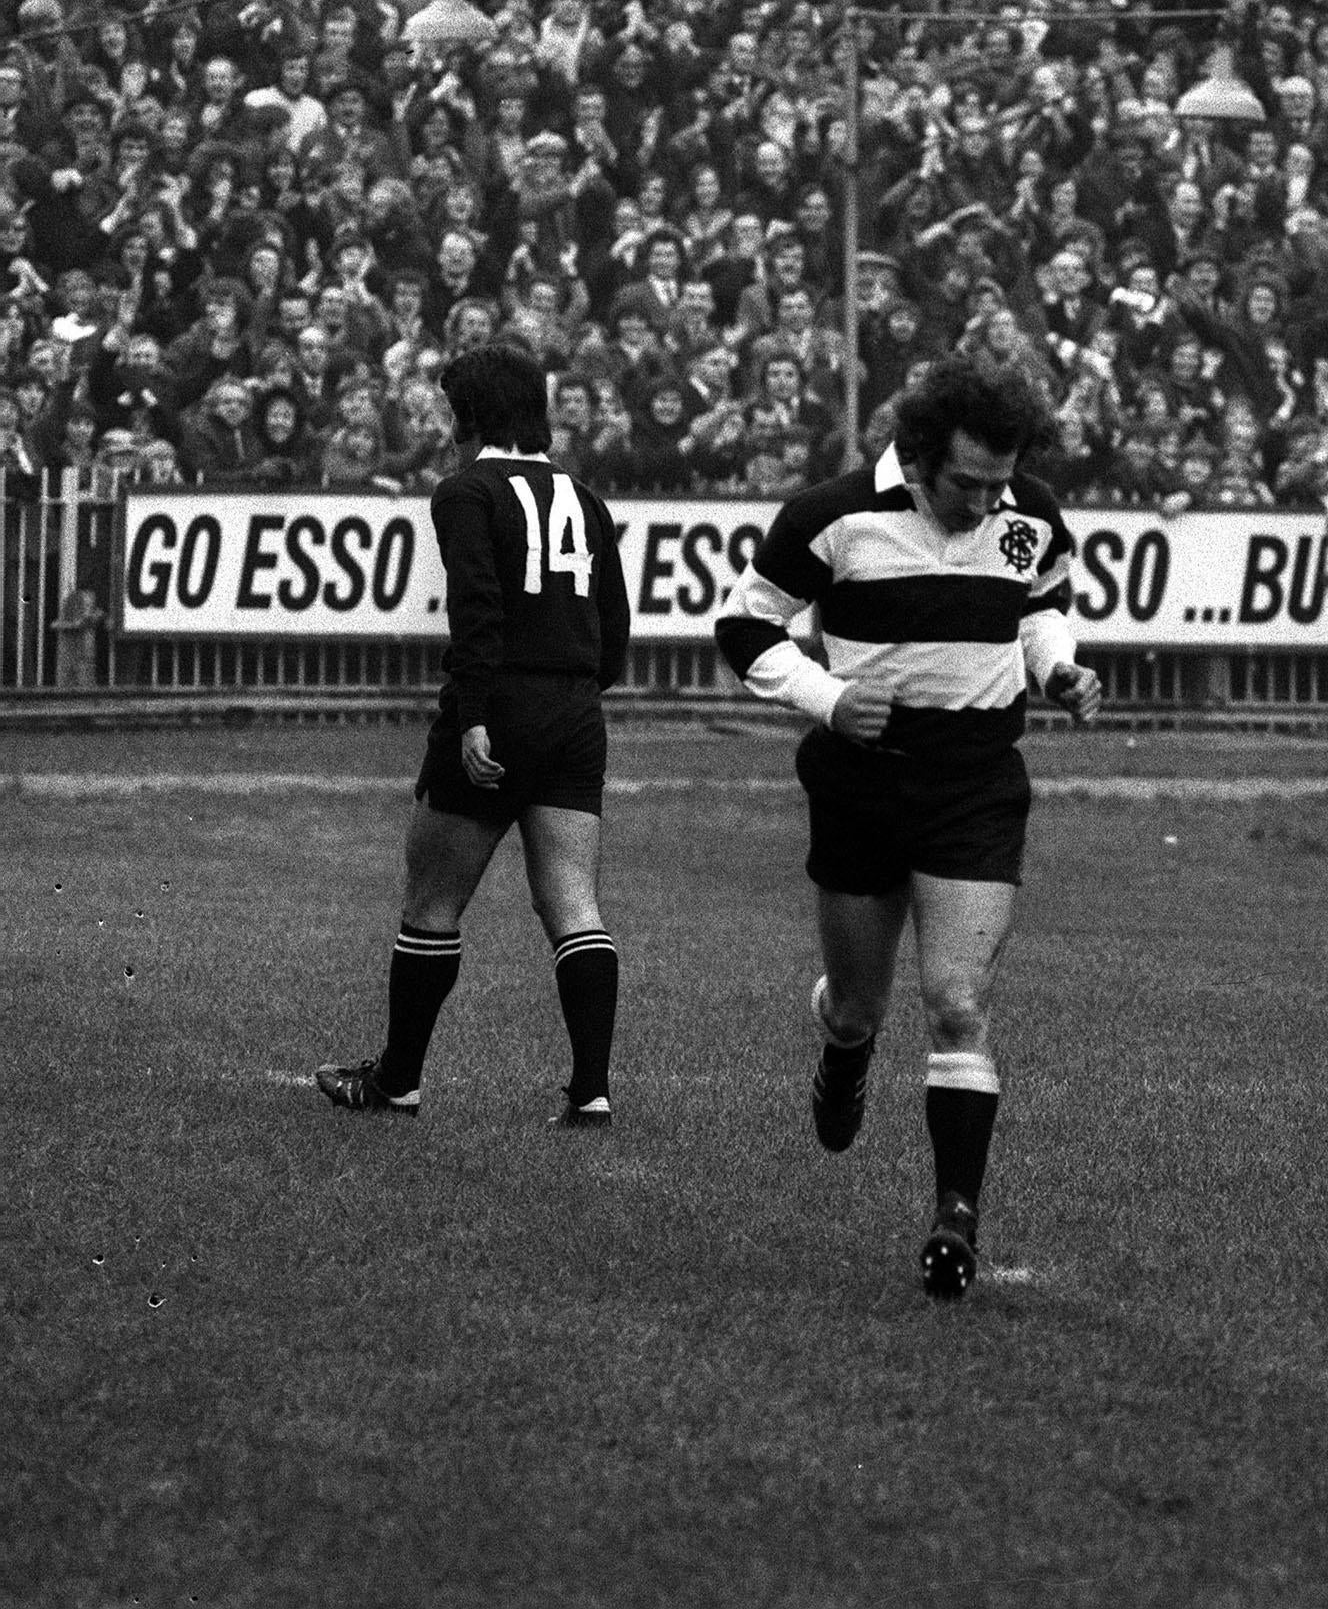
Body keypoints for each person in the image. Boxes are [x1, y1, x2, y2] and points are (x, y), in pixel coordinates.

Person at [712, 354, 1103, 1299]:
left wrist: (1057, 670)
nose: (984, 502)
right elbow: (745, 626)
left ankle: (954, 1220)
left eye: (999, 483)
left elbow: (1042, 603)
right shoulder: (831, 516)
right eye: (966, 483)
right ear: (919, 457)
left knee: (956, 1002)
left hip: (975, 784)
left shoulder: (1032, 513)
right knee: (858, 1007)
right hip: (861, 784)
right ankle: (842, 1054)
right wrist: (829, 698)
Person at [316, 344, 631, 1127]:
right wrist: (573, 697)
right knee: (572, 903)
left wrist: (480, 714)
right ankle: (590, 1091)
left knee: (432, 898)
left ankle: (398, 1081)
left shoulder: (466, 491)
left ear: (472, 416)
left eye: (451, 407)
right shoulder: (584, 499)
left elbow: (478, 609)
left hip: (500, 702)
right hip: (575, 712)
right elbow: (616, 630)